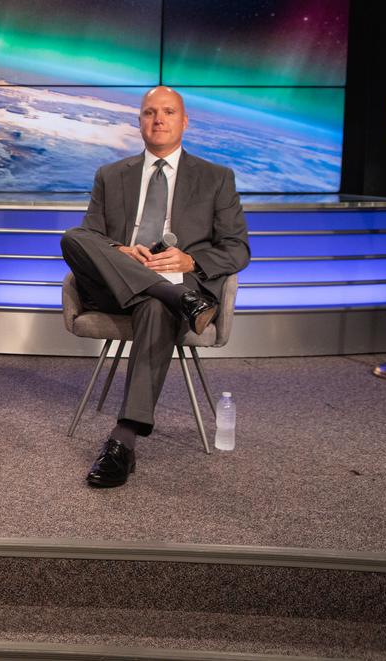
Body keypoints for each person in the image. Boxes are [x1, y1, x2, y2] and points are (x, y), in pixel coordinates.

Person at [61, 85, 250, 488]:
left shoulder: (216, 178)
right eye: (149, 112)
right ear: (139, 121)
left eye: (167, 112)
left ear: (185, 122)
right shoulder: (111, 175)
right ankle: (182, 300)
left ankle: (123, 441)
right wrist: (120, 251)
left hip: (174, 283)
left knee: (154, 307)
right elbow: (91, 236)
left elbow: (238, 249)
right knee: (73, 237)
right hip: (119, 287)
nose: (158, 119)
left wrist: (191, 261)